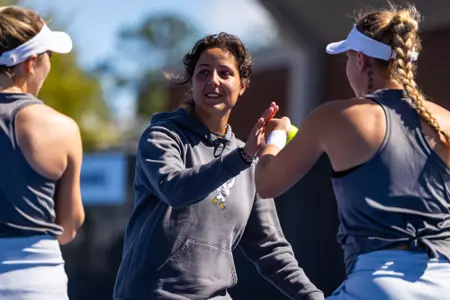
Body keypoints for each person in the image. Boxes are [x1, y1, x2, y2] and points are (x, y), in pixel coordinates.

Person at [255, 3, 450, 300]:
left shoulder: (336, 116)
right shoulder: (446, 121)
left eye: (346, 58)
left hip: (378, 284)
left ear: (360, 61)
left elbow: (266, 183)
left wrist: (277, 136)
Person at [113, 32, 324, 300]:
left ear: (242, 85)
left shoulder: (246, 158)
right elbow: (175, 189)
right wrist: (242, 158)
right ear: (191, 82)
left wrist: (315, 297)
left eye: (225, 73)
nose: (213, 80)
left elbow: (271, 249)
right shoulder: (162, 136)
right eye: (203, 73)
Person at [0, 6, 85, 300]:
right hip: (38, 285)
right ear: (31, 62)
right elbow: (68, 227)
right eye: (49, 55)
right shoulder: (62, 128)